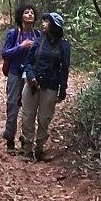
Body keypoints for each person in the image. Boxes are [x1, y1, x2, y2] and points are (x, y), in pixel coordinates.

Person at [19, 11, 70, 162]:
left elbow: (64, 68)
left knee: (44, 118)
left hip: (51, 86)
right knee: (28, 115)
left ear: (55, 26)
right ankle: (27, 149)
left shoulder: (64, 45)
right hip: (32, 84)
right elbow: (28, 62)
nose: (43, 24)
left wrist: (62, 88)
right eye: (44, 21)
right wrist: (31, 76)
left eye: (47, 22)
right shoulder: (38, 41)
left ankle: (39, 149)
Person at [0, 3, 39, 153]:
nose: (30, 14)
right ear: (20, 16)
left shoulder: (38, 35)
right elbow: (4, 53)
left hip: (30, 75)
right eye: (26, 12)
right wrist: (21, 47)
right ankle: (10, 139)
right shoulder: (13, 33)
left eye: (32, 13)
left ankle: (25, 139)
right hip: (15, 72)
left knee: (28, 108)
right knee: (12, 104)